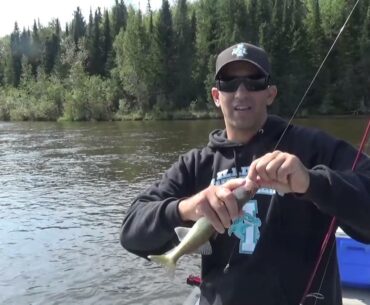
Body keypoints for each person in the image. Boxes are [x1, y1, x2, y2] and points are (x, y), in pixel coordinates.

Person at [120, 42, 370, 305]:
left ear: (270, 93)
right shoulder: (195, 165)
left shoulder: (312, 148)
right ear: (216, 96)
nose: (241, 92)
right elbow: (131, 232)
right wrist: (186, 208)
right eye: (229, 83)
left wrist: (312, 182)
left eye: (254, 82)